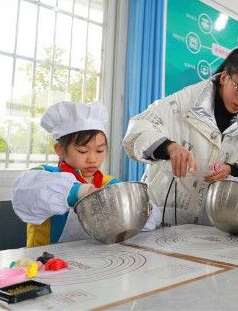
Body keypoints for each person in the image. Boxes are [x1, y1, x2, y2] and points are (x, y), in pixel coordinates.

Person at [123, 48, 238, 226]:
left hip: (208, 221)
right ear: (224, 78)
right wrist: (168, 147)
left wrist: (232, 169)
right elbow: (138, 127)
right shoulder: (185, 101)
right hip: (160, 213)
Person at [12, 101, 161, 247]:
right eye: (82, 151)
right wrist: (83, 191)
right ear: (59, 150)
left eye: (100, 150)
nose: (92, 159)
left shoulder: (108, 184)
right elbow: (26, 196)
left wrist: (140, 208)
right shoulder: (44, 176)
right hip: (46, 264)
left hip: (90, 260)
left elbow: (149, 221)